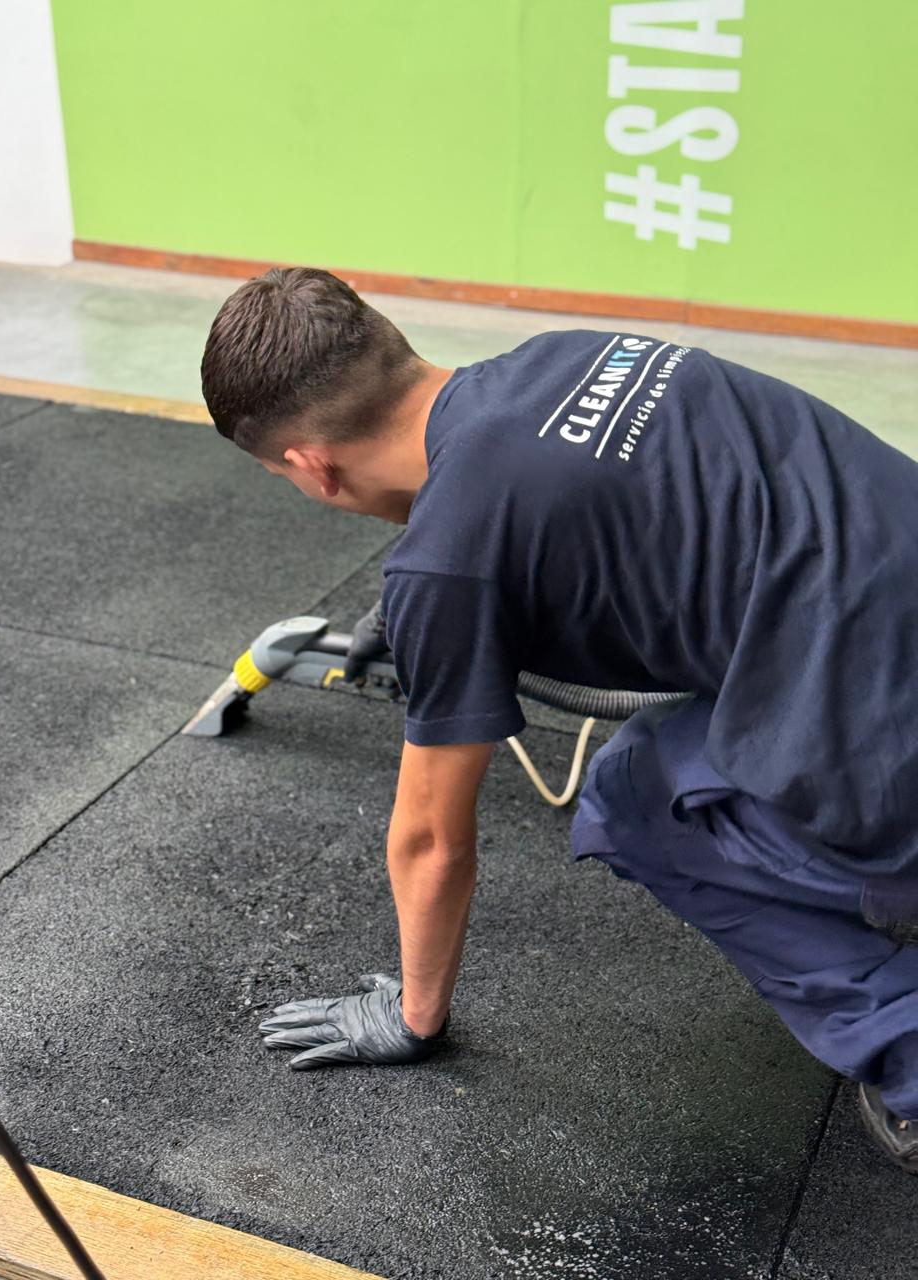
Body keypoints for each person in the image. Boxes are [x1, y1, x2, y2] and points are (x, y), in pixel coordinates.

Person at [200, 266, 918, 1173]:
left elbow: (429, 841)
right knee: (674, 746)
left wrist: (412, 1016)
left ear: (309, 464)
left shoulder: (450, 563)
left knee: (633, 805)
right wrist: (439, 607)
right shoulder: (576, 356)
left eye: (283, 476)